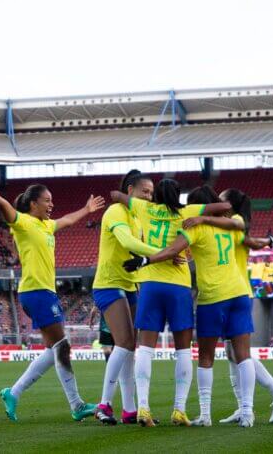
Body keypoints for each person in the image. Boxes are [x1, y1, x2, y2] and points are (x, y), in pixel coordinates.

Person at [0, 158, 104, 422]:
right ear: (34, 204)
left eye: (52, 200)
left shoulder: (46, 225)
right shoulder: (23, 223)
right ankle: (76, 405)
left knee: (55, 348)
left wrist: (87, 209)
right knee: (63, 347)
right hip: (36, 291)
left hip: (45, 292)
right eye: (47, 200)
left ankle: (14, 392)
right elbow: (1, 202)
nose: (51, 204)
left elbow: (67, 219)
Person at [111, 179, 231, 427]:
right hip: (178, 286)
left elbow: (115, 195)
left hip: (151, 283)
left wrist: (129, 198)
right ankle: (179, 410)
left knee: (145, 348)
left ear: (155, 196)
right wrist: (203, 217)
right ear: (179, 196)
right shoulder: (187, 211)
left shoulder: (144, 209)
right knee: (183, 350)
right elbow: (225, 206)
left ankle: (143, 408)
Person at [185, 187, 273, 426]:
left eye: (222, 201)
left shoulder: (231, 222)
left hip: (230, 291)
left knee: (237, 353)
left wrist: (202, 217)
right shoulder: (229, 225)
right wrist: (269, 241)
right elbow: (253, 242)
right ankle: (244, 407)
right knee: (233, 354)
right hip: (237, 291)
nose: (218, 203)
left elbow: (246, 238)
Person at [92, 169, 169, 425]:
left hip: (129, 284)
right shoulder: (116, 211)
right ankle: (104, 404)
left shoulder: (139, 216)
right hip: (108, 284)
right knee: (124, 343)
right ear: (130, 191)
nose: (149, 196)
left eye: (151, 192)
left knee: (128, 346)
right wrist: (163, 252)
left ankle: (128, 409)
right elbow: (126, 242)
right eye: (144, 191)